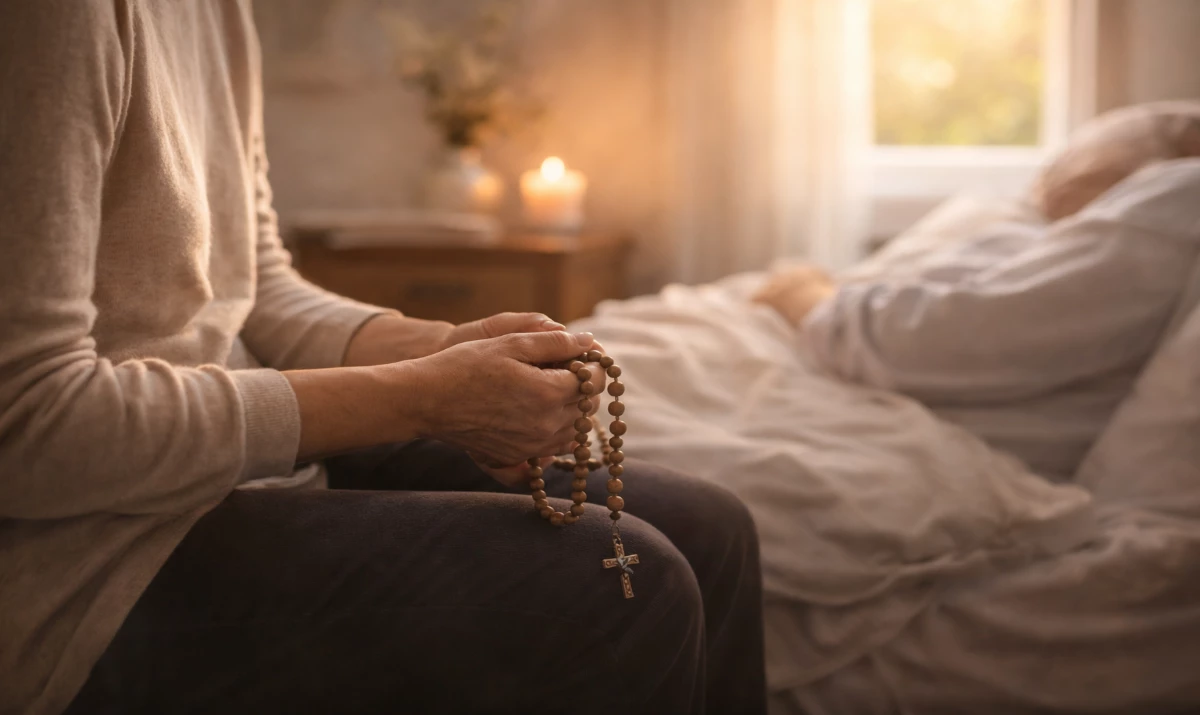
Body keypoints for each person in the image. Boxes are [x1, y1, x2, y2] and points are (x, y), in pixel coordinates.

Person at [0, 3, 766, 714]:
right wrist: (423, 396)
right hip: (89, 564)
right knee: (634, 584)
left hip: (228, 472)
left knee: (711, 525)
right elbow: (28, 423)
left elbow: (257, 283)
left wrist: (446, 349)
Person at [753, 157, 1200, 480]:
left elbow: (933, 344)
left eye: (1096, 152)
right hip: (841, 368)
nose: (1057, 175)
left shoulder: (1176, 195)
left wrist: (811, 300)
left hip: (886, 409)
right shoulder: (1050, 230)